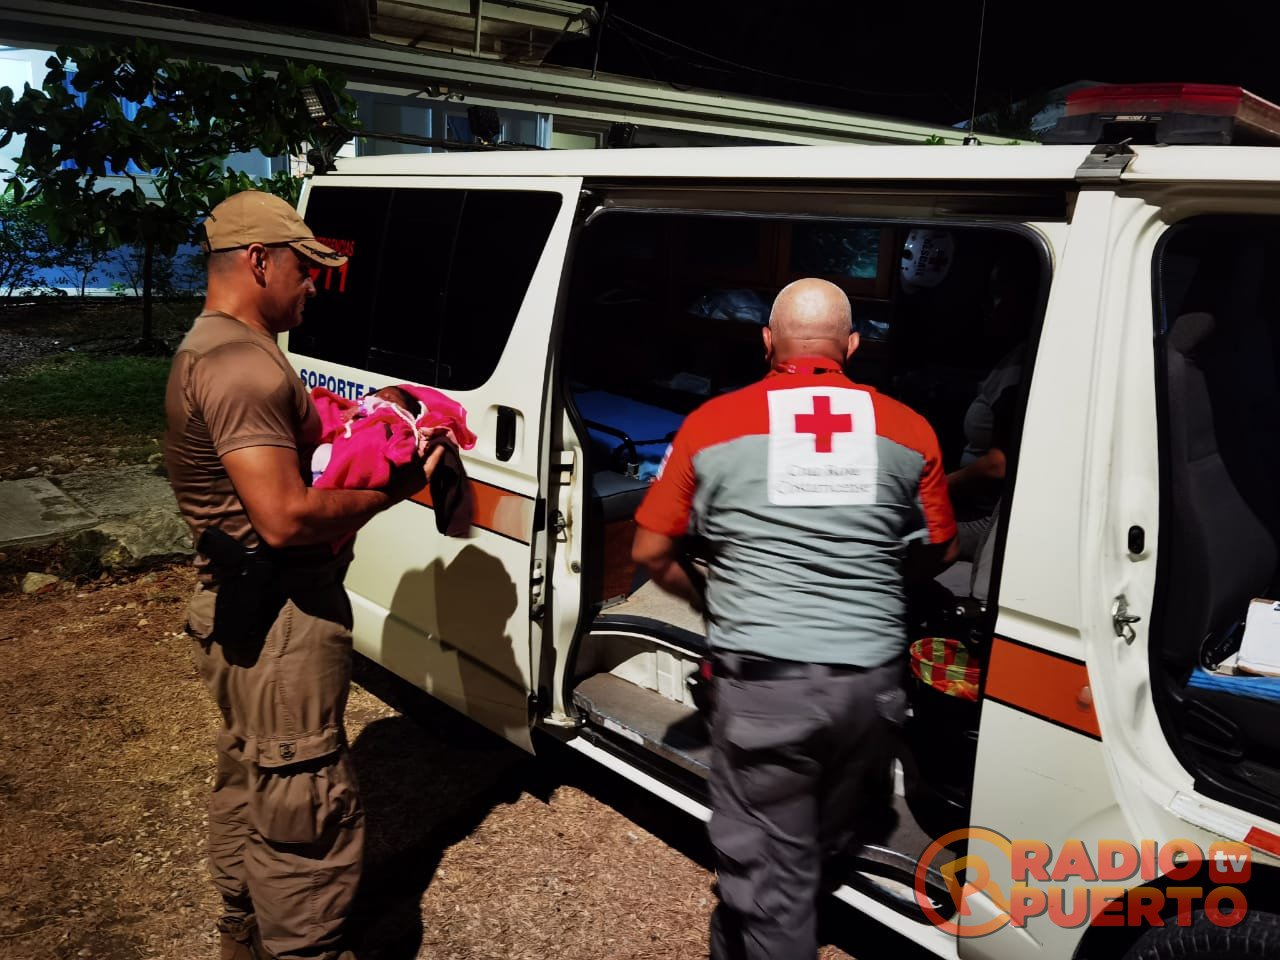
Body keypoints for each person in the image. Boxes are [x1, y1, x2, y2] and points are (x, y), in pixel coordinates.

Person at [631, 278, 956, 959]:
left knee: (773, 885)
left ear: (766, 341)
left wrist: (709, 600)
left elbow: (651, 551)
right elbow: (940, 548)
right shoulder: (912, 429)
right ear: (853, 346)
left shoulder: (712, 423)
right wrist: (872, 578)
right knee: (823, 838)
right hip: (871, 689)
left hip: (767, 690)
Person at [163, 190, 444, 960]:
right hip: (280, 619)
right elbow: (285, 518)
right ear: (259, 261)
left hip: (237, 606)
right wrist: (394, 487)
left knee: (251, 774)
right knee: (305, 808)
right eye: (304, 267)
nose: (314, 284)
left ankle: (243, 928)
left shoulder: (212, 347)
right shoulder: (241, 367)